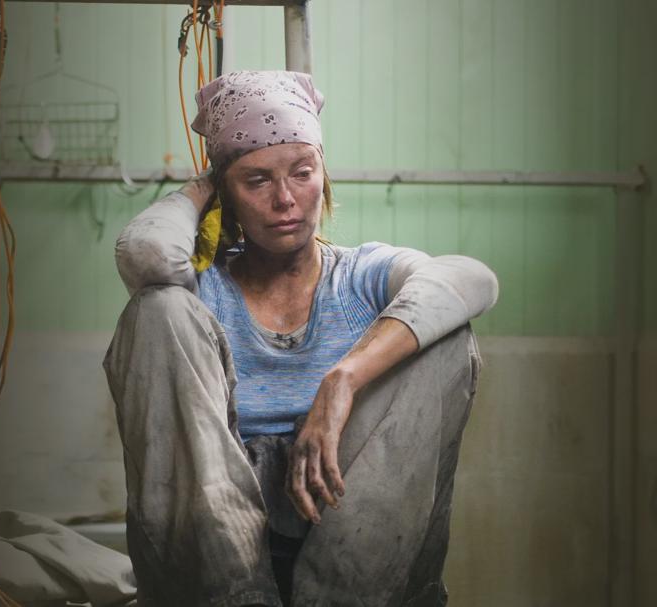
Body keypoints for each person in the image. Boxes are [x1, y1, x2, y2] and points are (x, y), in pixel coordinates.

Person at [103, 70, 498, 607]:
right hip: (219, 560)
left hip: (355, 547)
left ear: (323, 176)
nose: (285, 199)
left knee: (445, 335)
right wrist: (203, 187)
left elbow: (474, 279)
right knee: (157, 308)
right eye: (256, 181)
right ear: (227, 196)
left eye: (302, 172)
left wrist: (343, 380)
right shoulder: (205, 289)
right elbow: (149, 257)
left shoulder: (360, 275)